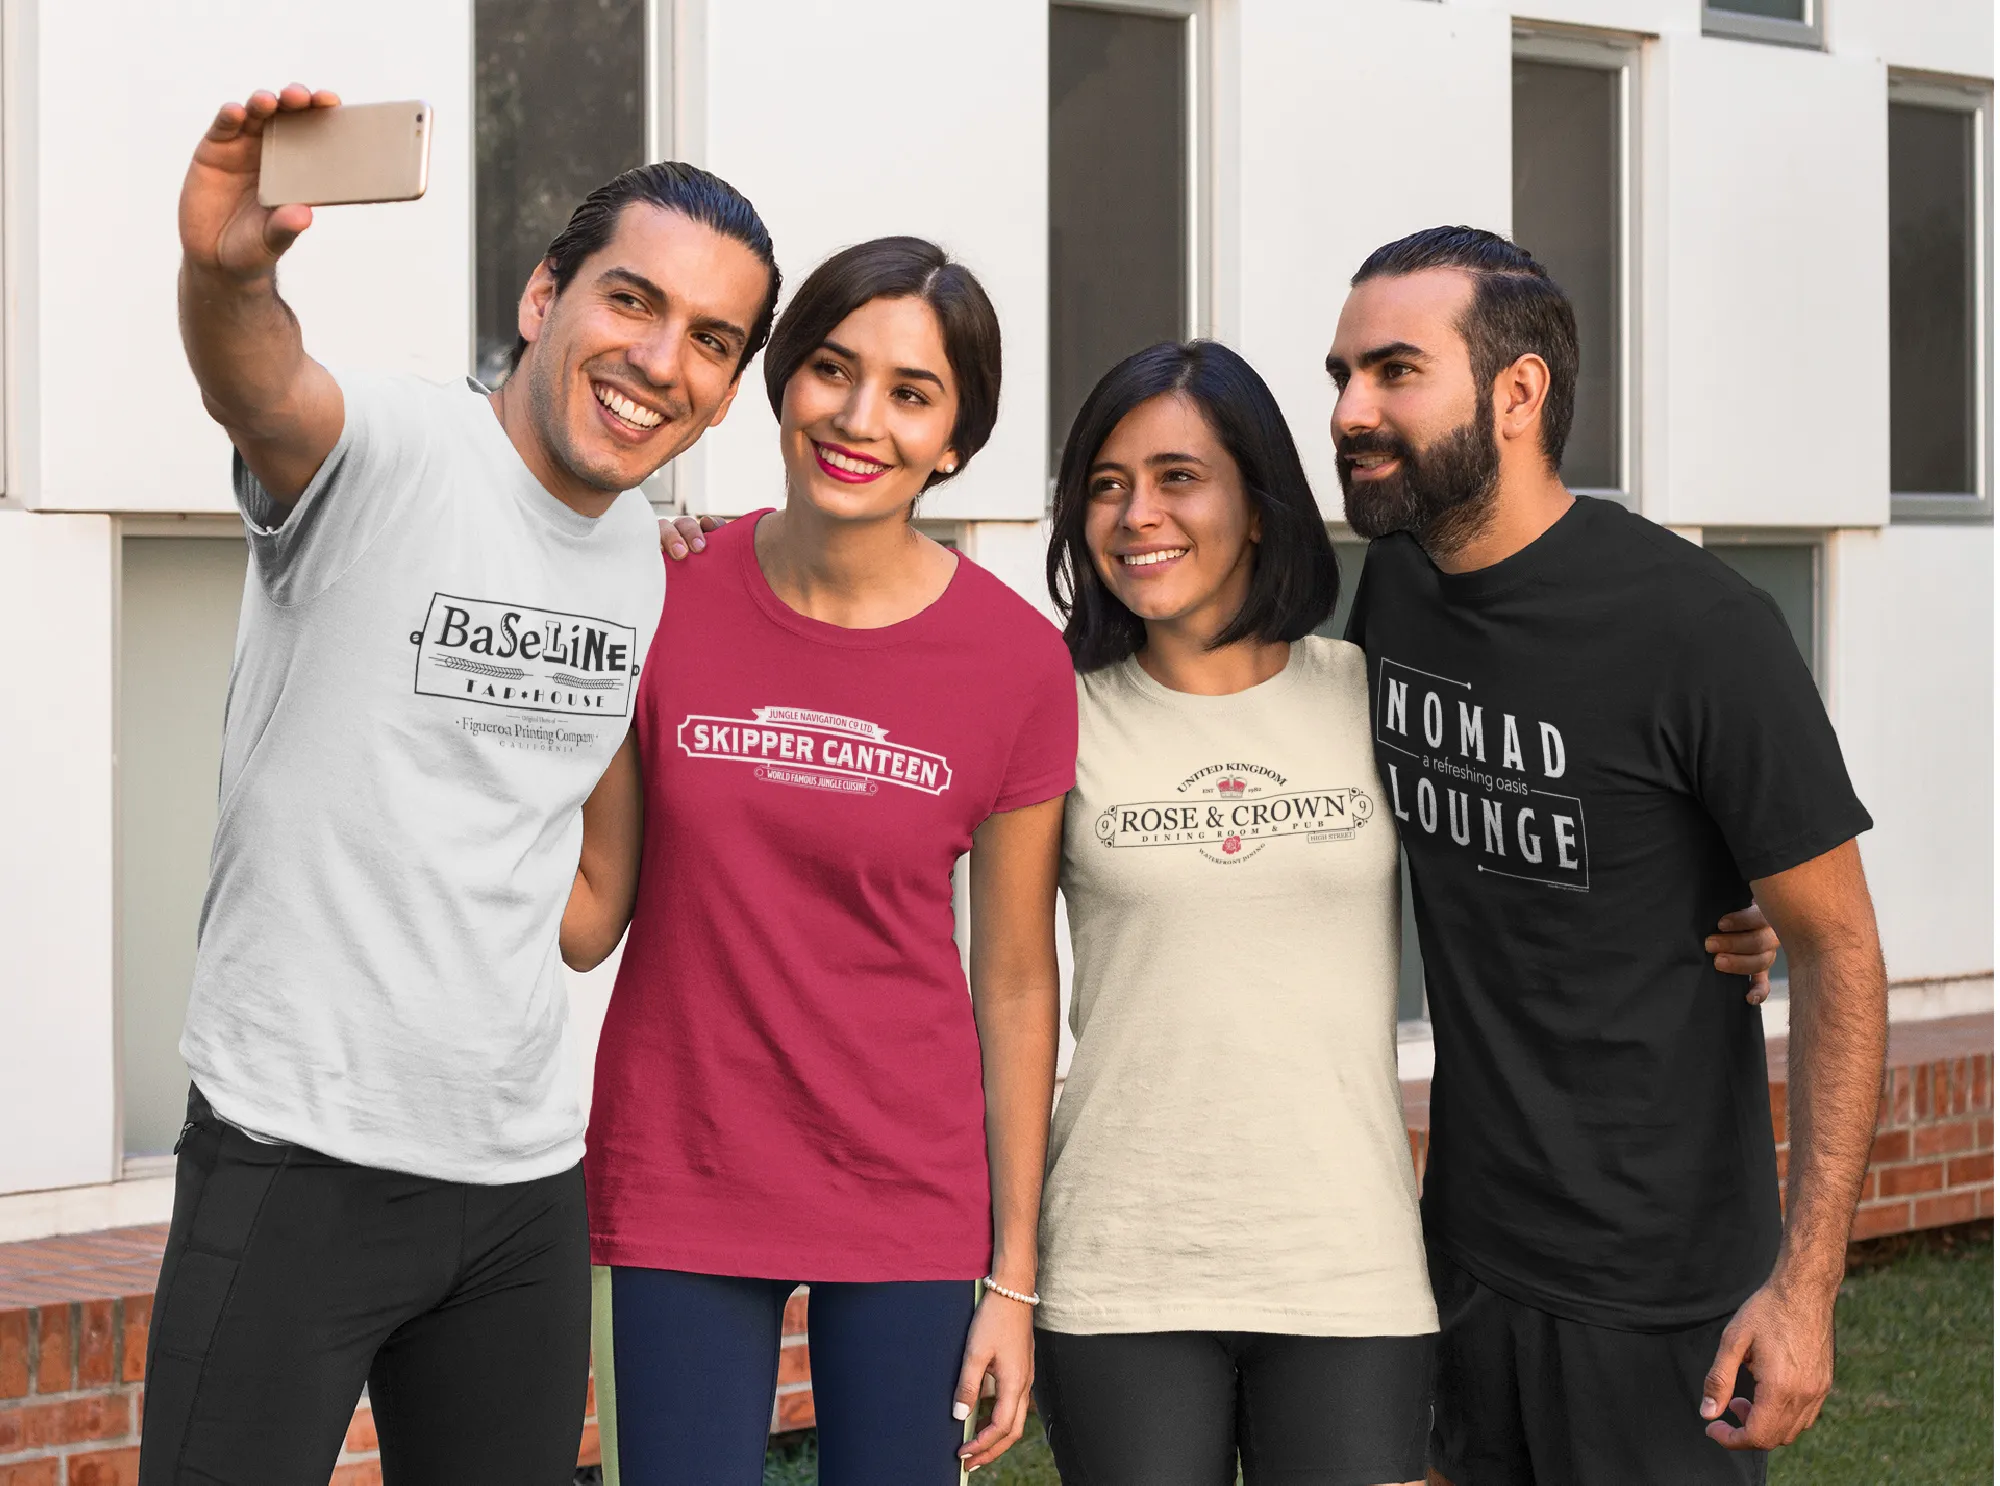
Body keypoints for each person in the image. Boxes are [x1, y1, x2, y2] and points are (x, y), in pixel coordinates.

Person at [142, 84, 779, 1486]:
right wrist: (227, 271)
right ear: (545, 291)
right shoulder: (389, 447)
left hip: (518, 1186)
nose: (662, 360)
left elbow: (579, 909)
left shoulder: (639, 561)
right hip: (296, 1149)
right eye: (632, 301)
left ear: (731, 383)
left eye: (713, 341)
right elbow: (262, 383)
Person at [1330, 227, 1887, 1486]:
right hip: (1462, 1251)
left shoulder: (1700, 629)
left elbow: (1841, 953)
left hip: (1661, 1294)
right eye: (1343, 373)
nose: (1351, 410)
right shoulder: (1396, 592)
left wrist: (1804, 1292)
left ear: (1515, 394)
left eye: (1393, 371)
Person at [564, 237, 1076, 1485]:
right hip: (683, 1163)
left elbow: (1012, 981)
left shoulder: (1015, 662)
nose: (859, 420)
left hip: (906, 1184)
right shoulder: (658, 592)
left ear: (955, 437)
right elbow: (590, 909)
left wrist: (1012, 1273)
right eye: (831, 371)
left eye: (911, 393)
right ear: (781, 382)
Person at [1032, 339, 1435, 1486]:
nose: (1133, 514)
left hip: (1348, 1261)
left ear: (1256, 506)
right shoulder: (1052, 715)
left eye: (1174, 477)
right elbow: (1007, 987)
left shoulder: (1366, 693)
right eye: (1104, 485)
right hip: (1120, 1265)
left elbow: (1519, 874)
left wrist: (1715, 914)